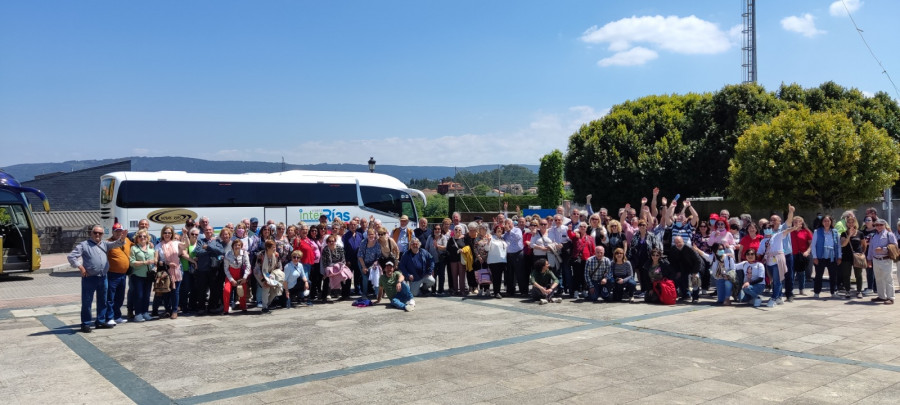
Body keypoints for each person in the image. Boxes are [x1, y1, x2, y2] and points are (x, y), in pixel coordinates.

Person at [68, 225, 126, 332]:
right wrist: (80, 267)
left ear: (103, 235)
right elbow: (71, 256)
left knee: (103, 300)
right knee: (87, 302)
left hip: (103, 277)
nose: (97, 235)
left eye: (100, 233)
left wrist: (122, 239)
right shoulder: (84, 245)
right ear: (91, 233)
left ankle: (100, 321)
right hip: (89, 278)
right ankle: (85, 323)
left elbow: (115, 244)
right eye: (95, 232)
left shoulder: (104, 244)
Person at [758, 222, 799, 308]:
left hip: (777, 260)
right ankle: (779, 296)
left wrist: (793, 228)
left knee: (777, 280)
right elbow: (760, 252)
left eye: (769, 228)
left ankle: (773, 298)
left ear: (772, 228)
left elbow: (786, 231)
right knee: (774, 281)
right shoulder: (762, 241)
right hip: (768, 262)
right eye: (765, 228)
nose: (767, 230)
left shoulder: (777, 236)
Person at [105, 223, 132, 324]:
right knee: (110, 298)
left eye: (120, 231)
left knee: (120, 297)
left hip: (123, 275)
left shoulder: (127, 240)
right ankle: (109, 317)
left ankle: (117, 316)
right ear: (112, 232)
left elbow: (136, 245)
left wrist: (149, 244)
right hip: (112, 274)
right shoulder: (108, 242)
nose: (118, 233)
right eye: (116, 231)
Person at [156, 225, 184, 319]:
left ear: (172, 234)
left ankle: (175, 311)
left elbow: (186, 245)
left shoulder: (176, 243)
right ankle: (167, 310)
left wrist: (185, 235)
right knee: (166, 292)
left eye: (169, 232)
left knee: (175, 292)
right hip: (165, 271)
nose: (167, 234)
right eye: (165, 232)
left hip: (176, 271)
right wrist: (167, 263)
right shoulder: (158, 245)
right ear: (162, 234)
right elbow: (156, 260)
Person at [866, 219, 897, 305]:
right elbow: (871, 249)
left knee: (888, 279)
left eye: (881, 225)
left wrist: (883, 249)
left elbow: (895, 246)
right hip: (876, 259)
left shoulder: (889, 234)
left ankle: (891, 297)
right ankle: (881, 296)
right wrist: (869, 259)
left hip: (886, 259)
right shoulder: (873, 236)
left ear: (884, 225)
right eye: (877, 225)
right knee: (878, 279)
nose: (879, 226)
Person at [811, 215, 842, 299]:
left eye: (828, 221)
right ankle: (817, 292)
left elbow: (838, 245)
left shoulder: (835, 232)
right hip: (820, 256)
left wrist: (839, 256)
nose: (826, 222)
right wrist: (815, 257)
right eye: (825, 221)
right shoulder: (817, 232)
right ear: (822, 222)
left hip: (832, 257)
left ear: (831, 222)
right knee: (818, 275)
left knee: (833, 275)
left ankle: (833, 291)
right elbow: (813, 245)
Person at [128, 229, 157, 322]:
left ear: (148, 238)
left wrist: (155, 266)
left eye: (144, 236)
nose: (142, 238)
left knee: (147, 295)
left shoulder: (151, 248)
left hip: (148, 276)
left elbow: (155, 259)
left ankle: (145, 312)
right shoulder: (134, 248)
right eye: (140, 236)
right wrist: (145, 262)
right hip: (137, 275)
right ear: (137, 238)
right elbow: (132, 262)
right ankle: (138, 313)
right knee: (139, 295)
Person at [668, 236, 702, 303]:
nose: (678, 244)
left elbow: (698, 260)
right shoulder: (673, 249)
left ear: (683, 241)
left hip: (694, 268)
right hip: (682, 269)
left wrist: (695, 272)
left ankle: (695, 297)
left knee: (695, 280)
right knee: (679, 278)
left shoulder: (689, 248)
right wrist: (677, 271)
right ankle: (686, 295)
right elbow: (673, 262)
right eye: (676, 243)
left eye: (679, 242)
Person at [840, 215, 865, 299]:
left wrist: (863, 253)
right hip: (846, 257)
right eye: (849, 222)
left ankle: (859, 291)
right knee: (846, 274)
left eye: (852, 222)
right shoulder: (844, 233)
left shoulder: (860, 233)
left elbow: (864, 244)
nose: (850, 224)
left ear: (855, 223)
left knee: (858, 274)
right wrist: (849, 235)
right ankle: (847, 291)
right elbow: (843, 244)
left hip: (857, 257)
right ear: (846, 224)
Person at [223, 238, 251, 314]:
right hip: (231, 274)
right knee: (226, 290)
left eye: (239, 245)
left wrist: (245, 277)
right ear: (232, 246)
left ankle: (243, 306)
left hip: (240, 274)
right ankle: (225, 309)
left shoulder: (244, 253)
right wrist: (231, 279)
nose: (237, 246)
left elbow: (248, 266)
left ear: (241, 246)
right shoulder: (228, 254)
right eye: (235, 245)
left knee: (243, 290)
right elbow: (226, 269)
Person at [254, 240, 282, 312]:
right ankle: (264, 307)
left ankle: (268, 303)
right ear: (267, 248)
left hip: (271, 274)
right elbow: (257, 269)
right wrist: (264, 280)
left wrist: (273, 277)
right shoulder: (261, 255)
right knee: (266, 287)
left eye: (275, 247)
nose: (274, 249)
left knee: (276, 289)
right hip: (260, 273)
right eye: (273, 247)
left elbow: (279, 267)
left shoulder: (276, 255)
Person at [788, 217, 812, 299]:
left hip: (802, 255)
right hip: (791, 254)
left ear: (802, 223)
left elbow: (811, 244)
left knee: (801, 273)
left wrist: (807, 252)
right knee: (791, 273)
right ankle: (790, 290)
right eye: (795, 222)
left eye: (799, 222)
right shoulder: (789, 232)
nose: (797, 223)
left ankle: (801, 289)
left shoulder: (806, 232)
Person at [178, 227, 199, 314]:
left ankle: (192, 305)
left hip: (196, 270)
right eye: (192, 234)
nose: (194, 236)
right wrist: (193, 261)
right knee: (185, 289)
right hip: (186, 269)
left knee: (194, 289)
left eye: (196, 234)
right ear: (189, 235)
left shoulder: (199, 243)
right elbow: (183, 254)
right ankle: (184, 306)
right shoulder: (187, 243)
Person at [357, 228, 382, 299]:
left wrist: (375, 263)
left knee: (376, 274)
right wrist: (364, 267)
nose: (370, 236)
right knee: (365, 277)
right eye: (369, 234)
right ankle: (364, 294)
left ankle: (377, 293)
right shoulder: (363, 242)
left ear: (375, 235)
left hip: (373, 263)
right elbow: (360, 255)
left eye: (372, 234)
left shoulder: (377, 244)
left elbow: (378, 256)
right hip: (362, 262)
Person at [485, 225, 508, 299]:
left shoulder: (503, 239)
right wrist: (488, 242)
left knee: (500, 278)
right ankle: (496, 292)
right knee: (496, 278)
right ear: (495, 230)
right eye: (498, 228)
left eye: (501, 229)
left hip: (502, 261)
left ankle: (498, 291)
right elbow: (486, 248)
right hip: (494, 261)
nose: (500, 230)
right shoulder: (491, 238)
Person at [502, 218, 524, 297]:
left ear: (512, 224)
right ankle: (510, 290)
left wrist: (510, 231)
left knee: (520, 273)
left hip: (518, 254)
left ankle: (523, 291)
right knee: (509, 274)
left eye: (509, 223)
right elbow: (500, 238)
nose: (507, 225)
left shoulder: (517, 230)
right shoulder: (505, 233)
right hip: (509, 255)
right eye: (506, 224)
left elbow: (518, 237)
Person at [425, 223, 447, 295]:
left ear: (441, 230)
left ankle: (441, 290)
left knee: (441, 275)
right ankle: (433, 290)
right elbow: (426, 248)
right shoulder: (430, 237)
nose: (437, 230)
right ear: (433, 230)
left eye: (439, 229)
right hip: (432, 260)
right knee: (433, 275)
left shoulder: (443, 237)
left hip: (441, 260)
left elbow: (445, 248)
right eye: (435, 229)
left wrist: (437, 246)